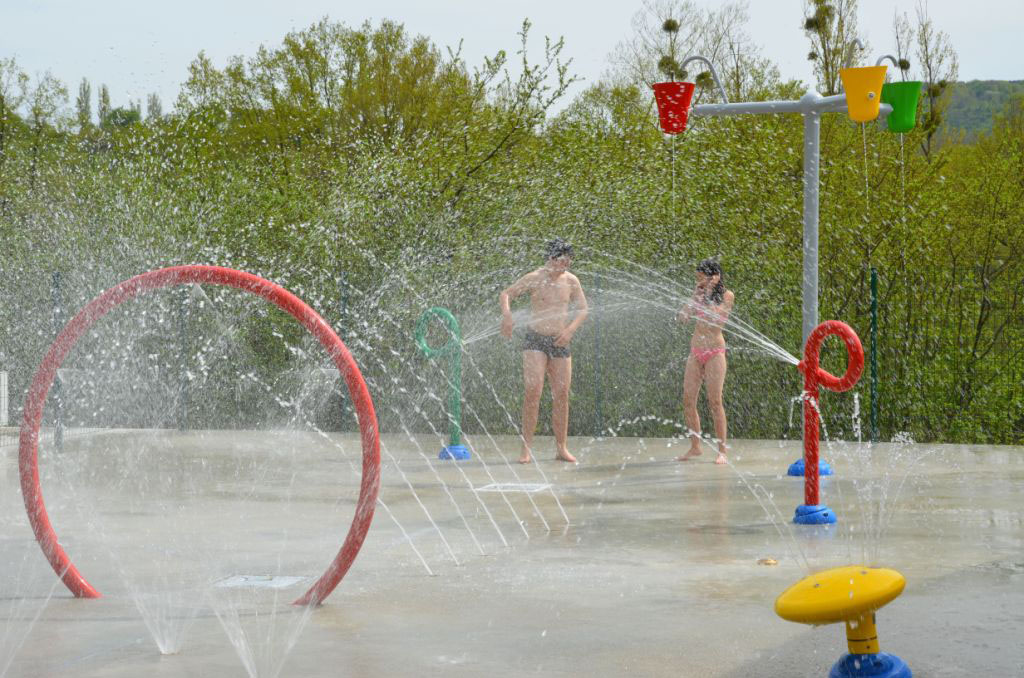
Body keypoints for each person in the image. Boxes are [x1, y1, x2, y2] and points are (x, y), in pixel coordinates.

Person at [499, 239, 588, 464]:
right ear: (550, 259)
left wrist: (570, 331)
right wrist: (507, 315)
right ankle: (526, 448)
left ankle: (561, 448)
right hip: (535, 340)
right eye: (561, 261)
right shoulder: (534, 278)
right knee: (533, 390)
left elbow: (583, 309)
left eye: (568, 262)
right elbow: (506, 294)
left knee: (562, 394)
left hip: (560, 341)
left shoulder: (571, 281)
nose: (565, 265)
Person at [676, 259, 734, 464]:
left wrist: (708, 295)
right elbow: (682, 318)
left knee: (715, 401)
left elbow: (717, 320)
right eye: (697, 278)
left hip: (715, 353)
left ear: (714, 277)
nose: (698, 281)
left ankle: (722, 451)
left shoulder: (727, 296)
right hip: (695, 352)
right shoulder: (698, 295)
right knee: (688, 399)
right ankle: (695, 446)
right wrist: (694, 297)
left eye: (702, 277)